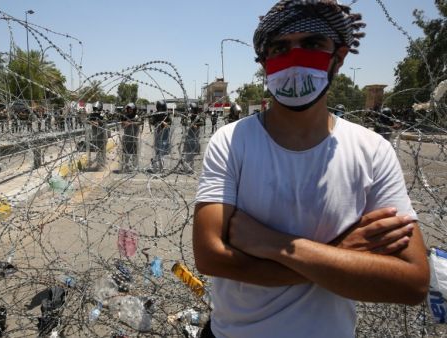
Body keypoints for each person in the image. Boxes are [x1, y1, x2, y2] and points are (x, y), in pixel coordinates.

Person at [193, 1, 429, 338]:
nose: (296, 56)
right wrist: (341, 254)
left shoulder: (372, 151)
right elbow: (211, 257)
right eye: (280, 47)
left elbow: (413, 283)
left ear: (340, 55)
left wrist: (274, 244)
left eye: (313, 44)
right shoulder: (232, 142)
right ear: (264, 61)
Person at [148, 100, 172, 173]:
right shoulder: (156, 115)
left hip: (165, 136)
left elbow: (170, 123)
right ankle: (156, 167)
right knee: (158, 152)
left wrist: (165, 123)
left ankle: (160, 167)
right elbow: (152, 121)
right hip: (158, 136)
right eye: (161, 108)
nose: (162, 109)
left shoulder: (166, 115)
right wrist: (155, 120)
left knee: (163, 153)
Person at [181, 102, 205, 174]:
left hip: (194, 137)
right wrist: (187, 120)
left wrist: (195, 124)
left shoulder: (198, 117)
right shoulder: (188, 116)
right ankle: (189, 168)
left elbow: (202, 122)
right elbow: (183, 122)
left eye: (191, 110)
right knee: (187, 153)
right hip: (188, 136)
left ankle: (189, 168)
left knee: (191, 154)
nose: (190, 111)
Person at [119, 102, 142, 173]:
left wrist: (131, 123)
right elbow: (122, 125)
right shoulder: (124, 117)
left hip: (134, 137)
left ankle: (135, 167)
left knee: (135, 153)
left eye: (131, 109)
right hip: (126, 137)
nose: (130, 110)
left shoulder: (137, 117)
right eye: (129, 109)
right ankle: (126, 166)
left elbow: (140, 123)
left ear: (134, 110)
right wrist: (125, 123)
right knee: (126, 153)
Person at [87, 101, 107, 168]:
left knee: (102, 149)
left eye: (97, 108)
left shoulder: (103, 114)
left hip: (102, 133)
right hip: (95, 134)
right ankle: (99, 163)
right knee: (98, 149)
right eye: (95, 108)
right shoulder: (92, 114)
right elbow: (88, 121)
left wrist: (96, 122)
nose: (96, 109)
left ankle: (102, 163)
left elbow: (102, 122)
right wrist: (93, 122)